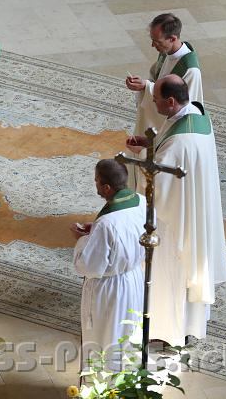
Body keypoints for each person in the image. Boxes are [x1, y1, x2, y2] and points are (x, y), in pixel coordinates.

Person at [125, 74, 226, 346]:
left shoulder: (180, 142)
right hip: (194, 208)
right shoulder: (196, 114)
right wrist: (150, 144)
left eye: (156, 99)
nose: (154, 104)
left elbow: (157, 179)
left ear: (171, 101)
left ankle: (167, 330)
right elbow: (172, 148)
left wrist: (136, 158)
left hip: (175, 220)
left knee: (168, 271)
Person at [70, 159, 145, 370]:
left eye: (96, 181)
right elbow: (129, 230)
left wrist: (81, 239)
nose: (95, 185)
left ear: (107, 187)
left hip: (109, 290)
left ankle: (103, 387)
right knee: (127, 336)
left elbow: (90, 266)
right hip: (133, 279)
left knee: (105, 336)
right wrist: (95, 231)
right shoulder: (141, 201)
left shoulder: (106, 223)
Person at [126, 13, 202, 137]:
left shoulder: (190, 70)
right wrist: (142, 85)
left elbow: (183, 108)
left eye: (157, 42)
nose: (153, 45)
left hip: (174, 131)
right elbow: (155, 77)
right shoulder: (166, 52)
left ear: (172, 38)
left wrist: (146, 86)